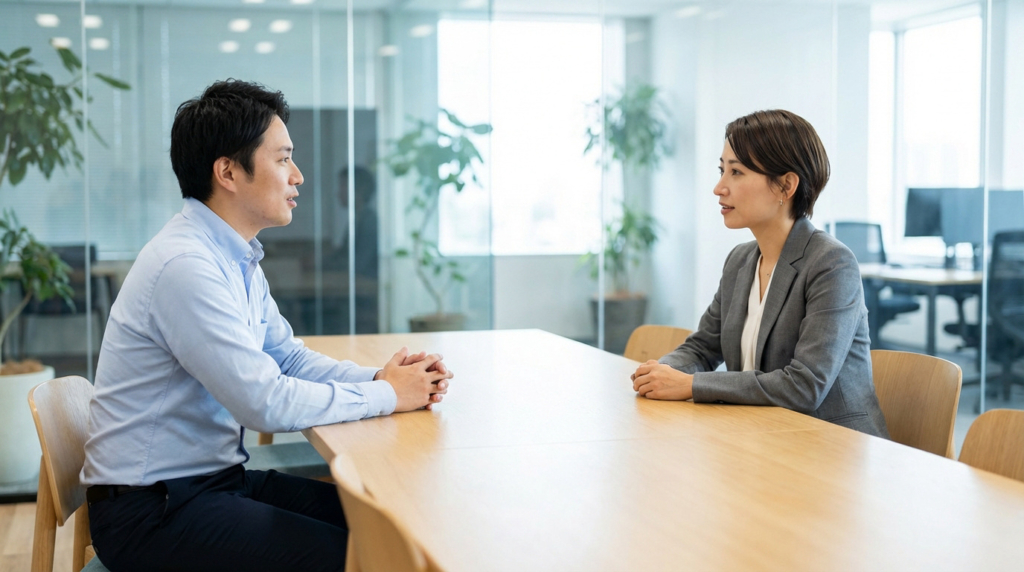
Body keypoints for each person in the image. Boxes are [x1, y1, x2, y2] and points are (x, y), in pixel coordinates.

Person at [80, 79, 454, 571]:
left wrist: (381, 380)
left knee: (391, 522)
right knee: (368, 555)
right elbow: (264, 402)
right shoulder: (186, 265)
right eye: (282, 159)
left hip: (209, 483)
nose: (297, 176)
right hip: (153, 512)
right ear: (228, 172)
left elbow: (287, 357)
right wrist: (389, 396)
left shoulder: (233, 256)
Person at [630, 109, 888, 438]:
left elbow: (805, 386)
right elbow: (701, 348)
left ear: (786, 185)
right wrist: (662, 372)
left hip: (832, 447)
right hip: (763, 436)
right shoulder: (740, 261)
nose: (719, 188)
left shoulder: (832, 264)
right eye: (722, 170)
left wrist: (692, 385)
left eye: (736, 172)